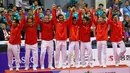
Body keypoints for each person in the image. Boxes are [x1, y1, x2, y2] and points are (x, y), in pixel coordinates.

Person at [52, 4, 73, 69]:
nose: (61, 19)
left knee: (64, 53)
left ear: (63, 18)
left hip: (64, 40)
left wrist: (71, 12)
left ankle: (64, 64)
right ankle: (57, 64)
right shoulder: (56, 23)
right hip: (58, 40)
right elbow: (53, 17)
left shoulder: (65, 23)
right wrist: (54, 9)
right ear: (58, 19)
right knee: (57, 53)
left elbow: (69, 18)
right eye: (60, 18)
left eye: (62, 18)